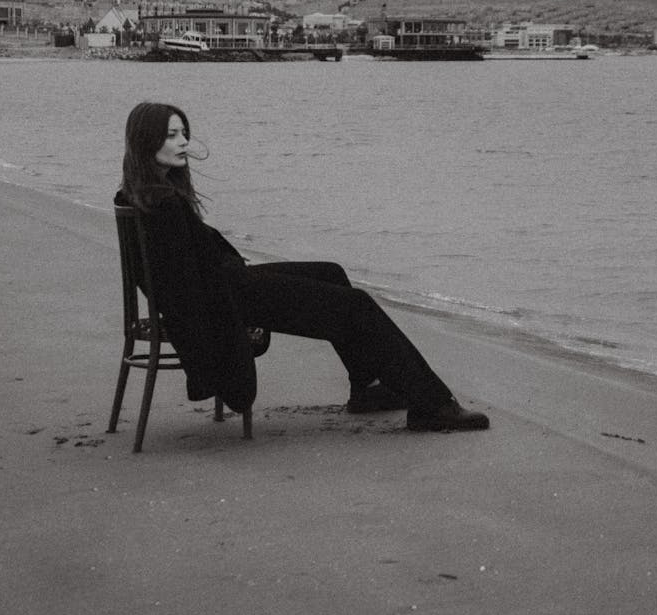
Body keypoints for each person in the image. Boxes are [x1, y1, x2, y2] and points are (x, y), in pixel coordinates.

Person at [117, 101, 490, 432]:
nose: (183, 142)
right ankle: (433, 405)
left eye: (184, 132)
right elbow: (186, 285)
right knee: (356, 304)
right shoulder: (162, 206)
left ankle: (368, 389)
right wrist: (244, 297)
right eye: (171, 135)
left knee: (330, 272)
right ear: (147, 140)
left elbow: (186, 271)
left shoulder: (142, 194)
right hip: (227, 298)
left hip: (229, 284)